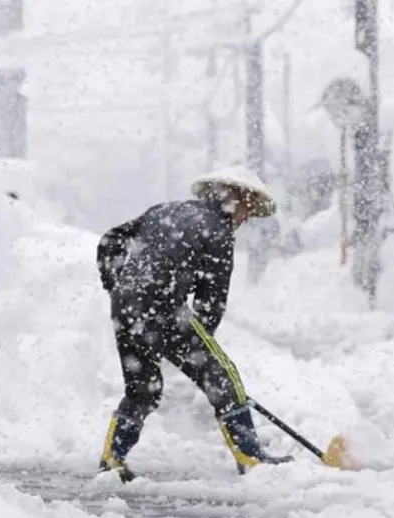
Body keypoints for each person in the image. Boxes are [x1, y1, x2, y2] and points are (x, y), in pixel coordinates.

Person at [95, 166, 293, 482]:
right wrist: (200, 352)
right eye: (246, 210)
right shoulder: (217, 231)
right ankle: (251, 457)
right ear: (236, 198)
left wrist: (117, 285)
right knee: (225, 377)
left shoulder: (164, 211)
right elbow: (211, 301)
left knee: (143, 388)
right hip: (164, 307)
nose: (245, 219)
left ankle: (112, 457)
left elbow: (110, 240)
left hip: (125, 306)